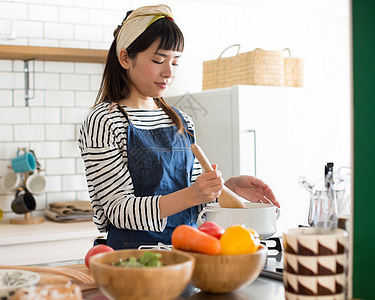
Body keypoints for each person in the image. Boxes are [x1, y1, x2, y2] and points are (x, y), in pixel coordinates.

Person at [78, 4, 279, 250]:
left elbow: (194, 198)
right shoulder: (104, 121)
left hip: (190, 254)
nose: (168, 73)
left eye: (175, 62)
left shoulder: (181, 120)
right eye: (158, 60)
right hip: (133, 264)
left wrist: (225, 189)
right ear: (125, 58)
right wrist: (193, 194)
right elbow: (118, 210)